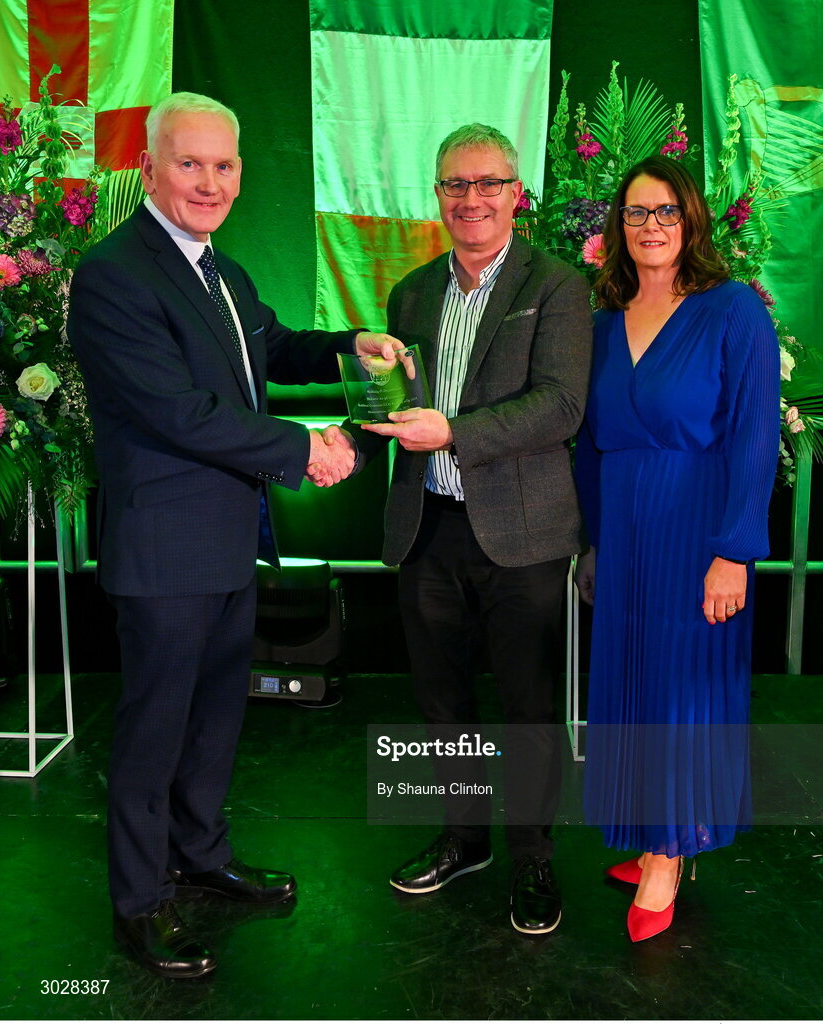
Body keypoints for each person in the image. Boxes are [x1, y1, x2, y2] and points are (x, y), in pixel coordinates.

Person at [67, 92, 401, 977]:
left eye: (223, 166)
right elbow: (180, 412)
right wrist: (305, 446)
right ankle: (139, 903)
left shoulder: (223, 270)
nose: (208, 181)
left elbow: (273, 348)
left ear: (241, 173)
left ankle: (200, 856)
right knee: (154, 730)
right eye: (189, 163)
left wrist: (351, 341)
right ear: (150, 169)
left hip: (225, 542)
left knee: (215, 718)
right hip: (164, 549)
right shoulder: (113, 275)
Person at [319, 124, 591, 934]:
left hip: (525, 537)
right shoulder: (408, 293)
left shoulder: (560, 286)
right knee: (442, 705)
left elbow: (562, 404)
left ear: (516, 194)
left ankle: (534, 860)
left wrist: (456, 433)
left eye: (487, 184)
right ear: (436, 195)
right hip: (427, 529)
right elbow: (397, 410)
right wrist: (350, 432)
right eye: (454, 185)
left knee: (528, 707)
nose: (470, 200)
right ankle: (464, 837)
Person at [573, 155, 780, 942]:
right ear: (617, 229)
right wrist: (592, 544)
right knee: (630, 686)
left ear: (690, 220)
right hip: (623, 535)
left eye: (664, 212)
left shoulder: (733, 312)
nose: (650, 226)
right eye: (635, 213)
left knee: (682, 693)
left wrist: (735, 551)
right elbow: (589, 448)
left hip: (699, 532)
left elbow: (756, 440)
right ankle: (646, 829)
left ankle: (669, 851)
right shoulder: (599, 324)